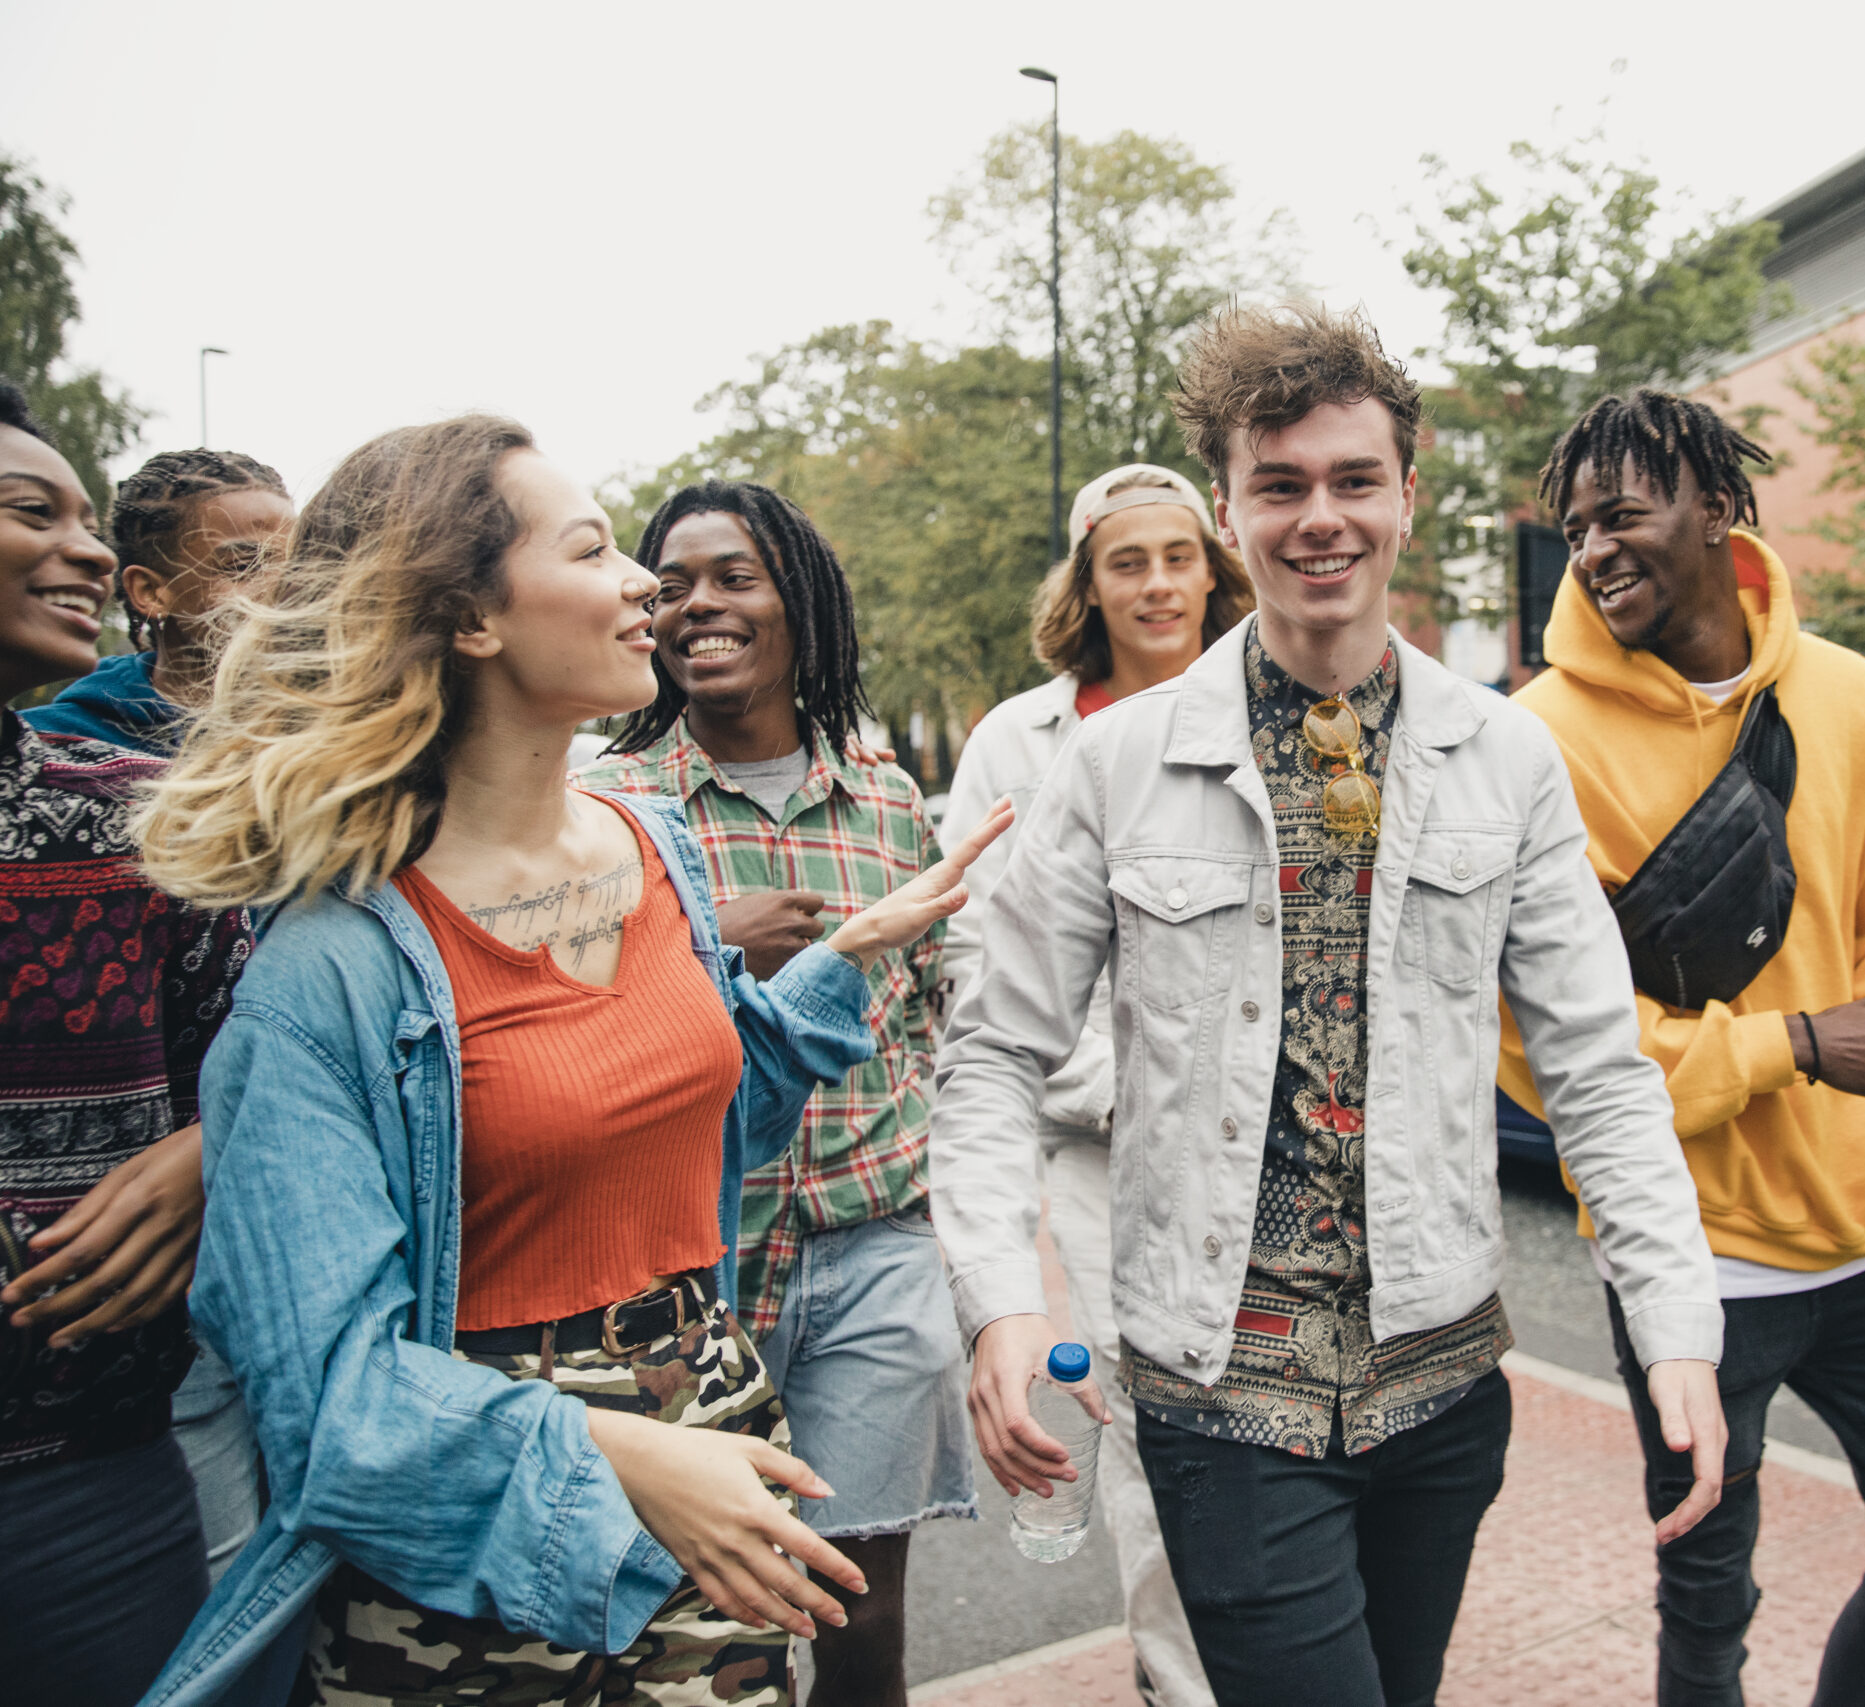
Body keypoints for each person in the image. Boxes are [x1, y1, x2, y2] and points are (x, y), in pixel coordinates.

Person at [128, 416, 1009, 1707]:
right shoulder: (325, 975)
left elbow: (686, 1137)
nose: (646, 582)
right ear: (472, 619)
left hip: (715, 1474)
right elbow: (336, 1411)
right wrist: (632, 1460)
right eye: (596, 548)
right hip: (476, 1551)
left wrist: (851, 956)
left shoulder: (661, 850)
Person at [930, 304, 1728, 1707]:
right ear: (1231, 509)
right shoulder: (1112, 765)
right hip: (1218, 1386)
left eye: (1354, 480)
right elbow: (994, 1049)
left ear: (1408, 496)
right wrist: (999, 1300)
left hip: (1442, 1386)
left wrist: (1675, 1321)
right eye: (1281, 484)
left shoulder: (1509, 758)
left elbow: (1599, 1065)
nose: (1321, 518)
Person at [1498, 389, 1865, 1707]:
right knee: (1709, 1613)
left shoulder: (1850, 691)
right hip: (1688, 1262)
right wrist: (1790, 1043)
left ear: (1719, 508)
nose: (1593, 549)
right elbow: (1537, 1045)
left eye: (1625, 513)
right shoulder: (1539, 742)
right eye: (1576, 527)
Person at [579, 479, 974, 1707]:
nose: (699, 602)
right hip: (678, 1278)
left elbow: (925, 1025)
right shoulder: (603, 812)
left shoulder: (891, 801)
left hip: (870, 1255)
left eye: (734, 576)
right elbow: (568, 1045)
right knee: (693, 1631)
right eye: (673, 581)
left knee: (859, 1613)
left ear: (798, 601)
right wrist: (702, 939)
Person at [937, 462, 1252, 1707]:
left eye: (1179, 555)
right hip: (1105, 1160)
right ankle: (1178, 1684)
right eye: (1128, 561)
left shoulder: (1270, 706)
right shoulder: (1018, 741)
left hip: (1267, 1150)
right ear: (1088, 582)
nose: (1158, 583)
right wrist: (1109, 1078)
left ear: (1212, 569)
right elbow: (980, 955)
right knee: (1152, 1437)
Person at [0, 379, 259, 1707]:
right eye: (28, 510)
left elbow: (280, 1062)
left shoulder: (135, 823)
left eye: (89, 518)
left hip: (98, 1465)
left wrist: (209, 1150)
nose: (83, 549)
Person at [26, 448, 294, 755]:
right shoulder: (46, 747)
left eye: (298, 561)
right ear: (150, 592)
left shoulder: (335, 725)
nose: (288, 585)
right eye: (244, 566)